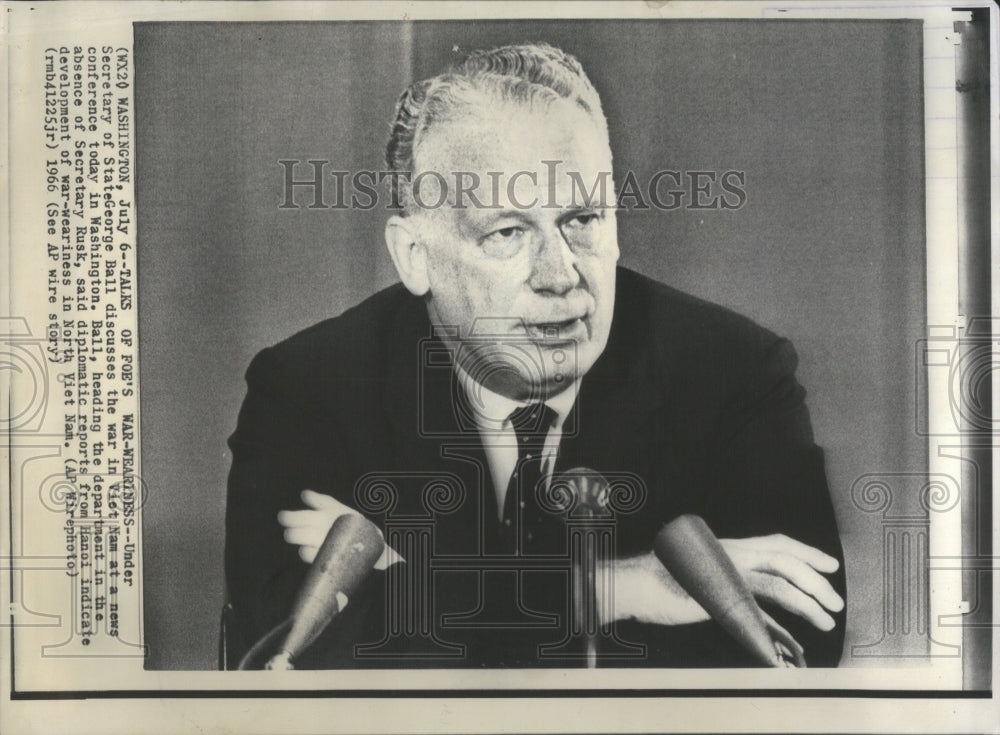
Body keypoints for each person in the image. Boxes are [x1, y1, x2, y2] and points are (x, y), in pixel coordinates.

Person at [224, 42, 846, 669]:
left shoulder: (735, 371)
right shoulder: (309, 389)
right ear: (416, 256)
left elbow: (796, 645)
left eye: (582, 218)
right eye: (507, 232)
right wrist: (618, 586)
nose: (560, 275)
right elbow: (283, 652)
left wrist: (416, 585)